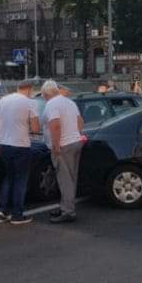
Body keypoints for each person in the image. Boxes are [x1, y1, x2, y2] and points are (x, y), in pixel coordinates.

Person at [0, 79, 40, 225]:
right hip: (21, 145)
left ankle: (2, 209)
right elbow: (36, 128)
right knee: (20, 180)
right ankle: (17, 214)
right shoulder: (30, 103)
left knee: (9, 177)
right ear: (29, 89)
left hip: (4, 144)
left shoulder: (3, 101)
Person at [40, 80, 84, 224]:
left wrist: (57, 146)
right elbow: (80, 122)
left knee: (64, 180)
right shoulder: (69, 102)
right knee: (72, 178)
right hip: (75, 142)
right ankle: (66, 206)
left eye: (43, 95)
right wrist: (74, 134)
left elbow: (55, 125)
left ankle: (68, 212)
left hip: (63, 145)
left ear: (46, 94)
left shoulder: (51, 104)